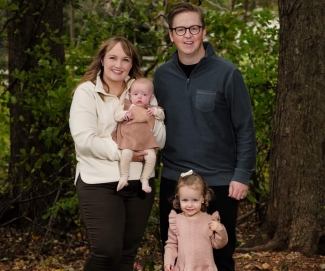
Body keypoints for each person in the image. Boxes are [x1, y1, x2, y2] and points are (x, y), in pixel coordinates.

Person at [153, 3, 256, 271]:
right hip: (175, 180)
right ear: (171, 35)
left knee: (220, 255)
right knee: (174, 254)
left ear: (204, 31)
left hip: (220, 179)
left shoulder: (227, 73)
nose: (188, 35)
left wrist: (241, 173)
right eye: (181, 29)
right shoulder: (161, 76)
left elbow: (244, 127)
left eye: (194, 28)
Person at [69, 36, 166, 271]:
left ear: (131, 64)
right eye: (112, 57)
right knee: (106, 251)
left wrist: (147, 119)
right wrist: (125, 152)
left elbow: (160, 140)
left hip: (139, 183)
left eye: (125, 59)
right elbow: (84, 141)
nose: (118, 64)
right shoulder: (87, 92)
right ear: (102, 60)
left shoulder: (141, 91)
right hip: (98, 182)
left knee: (126, 255)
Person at [164, 170, 228, 271]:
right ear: (178, 199)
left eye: (195, 200)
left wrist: (220, 229)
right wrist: (168, 261)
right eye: (185, 200)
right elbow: (171, 244)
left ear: (203, 199)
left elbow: (218, 244)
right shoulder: (176, 221)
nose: (190, 205)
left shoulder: (209, 220)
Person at [113, 77, 165, 193]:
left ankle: (145, 179)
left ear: (151, 98)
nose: (139, 97)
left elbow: (162, 115)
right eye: (136, 94)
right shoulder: (126, 107)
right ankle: (124, 176)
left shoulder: (151, 108)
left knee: (151, 157)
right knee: (126, 154)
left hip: (146, 141)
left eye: (144, 94)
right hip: (129, 140)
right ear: (130, 95)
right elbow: (117, 115)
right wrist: (124, 114)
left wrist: (154, 112)